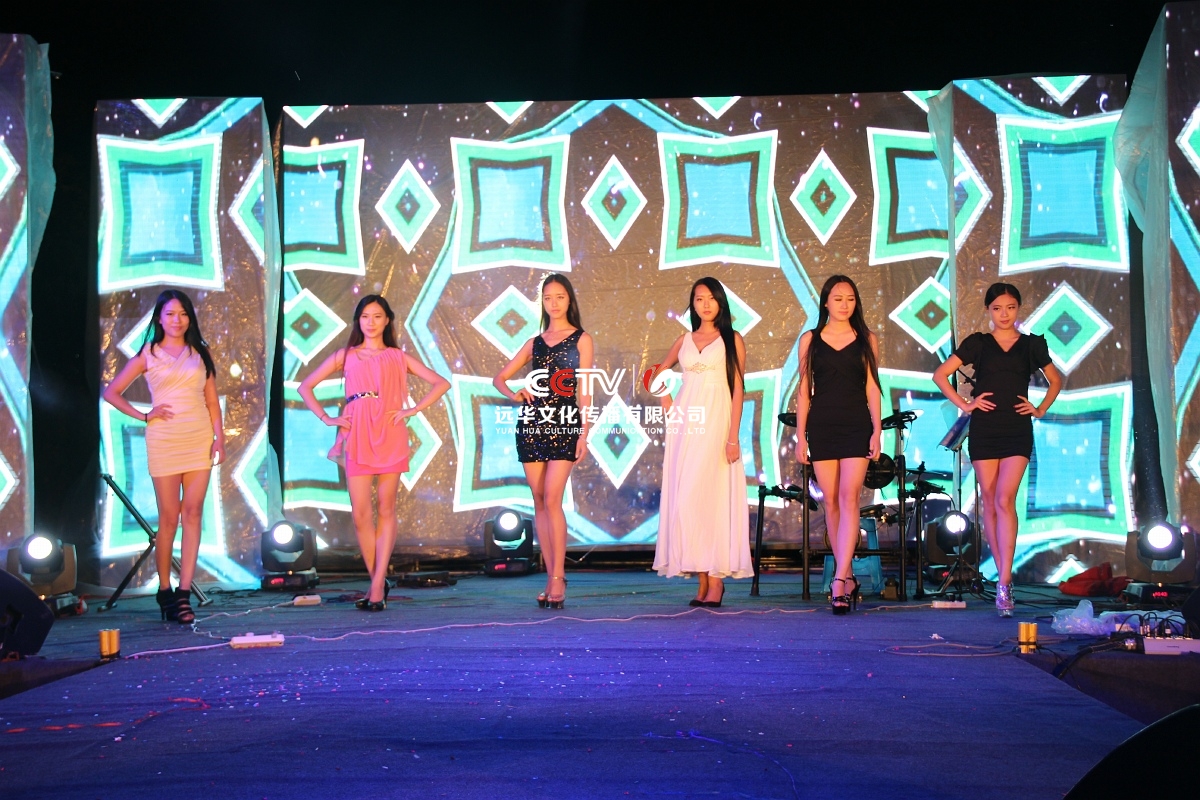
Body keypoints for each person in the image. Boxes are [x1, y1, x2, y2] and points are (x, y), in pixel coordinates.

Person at [298, 294, 450, 611]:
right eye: (365, 316)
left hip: (389, 430)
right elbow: (305, 386)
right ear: (358, 320)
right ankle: (377, 580)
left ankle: (377, 586)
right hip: (357, 432)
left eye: (377, 316)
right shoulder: (346, 355)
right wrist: (327, 418)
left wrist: (412, 410)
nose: (371, 322)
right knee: (361, 515)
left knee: (386, 507)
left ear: (387, 320)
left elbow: (440, 383)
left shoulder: (397, 356)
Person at [933, 282, 1062, 617]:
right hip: (985, 430)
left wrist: (1040, 409)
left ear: (1018, 308)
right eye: (997, 308)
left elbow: (1056, 379)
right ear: (988, 310)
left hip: (1016, 429)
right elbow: (940, 375)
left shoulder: (1031, 345)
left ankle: (1005, 581)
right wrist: (966, 404)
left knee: (1005, 499)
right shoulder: (978, 343)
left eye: (1011, 307)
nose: (1004, 314)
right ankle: (1002, 572)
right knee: (990, 501)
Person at [103, 290, 225, 624]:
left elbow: (211, 400)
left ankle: (184, 593)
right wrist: (145, 415)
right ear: (159, 318)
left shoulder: (200, 353)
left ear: (190, 318)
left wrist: (219, 438)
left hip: (198, 438)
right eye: (170, 314)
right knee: (169, 518)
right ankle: (165, 590)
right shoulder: (149, 354)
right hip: (165, 441)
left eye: (183, 314)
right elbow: (112, 392)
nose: (177, 320)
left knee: (193, 513)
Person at [650, 277, 752, 607]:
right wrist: (668, 402)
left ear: (721, 302)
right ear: (692, 304)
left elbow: (738, 389)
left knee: (713, 498)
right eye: (698, 299)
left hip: (718, 423)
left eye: (711, 298)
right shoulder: (684, 340)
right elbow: (654, 373)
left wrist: (733, 437)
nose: (705, 304)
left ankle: (716, 581)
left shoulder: (732, 339)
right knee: (688, 499)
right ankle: (702, 579)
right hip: (686, 425)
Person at [492, 274, 592, 609]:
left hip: (564, 422)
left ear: (569, 299)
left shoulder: (581, 339)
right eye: (548, 298)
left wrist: (584, 432)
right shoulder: (534, 342)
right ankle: (550, 577)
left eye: (559, 297)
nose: (554, 303)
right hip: (532, 423)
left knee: (552, 499)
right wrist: (515, 393)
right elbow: (499, 378)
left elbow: (585, 391)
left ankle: (559, 577)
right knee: (539, 501)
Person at [794, 275, 882, 615]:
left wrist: (877, 430)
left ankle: (841, 578)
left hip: (856, 424)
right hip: (822, 425)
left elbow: (873, 386)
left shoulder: (867, 339)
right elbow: (804, 391)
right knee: (830, 500)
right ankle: (846, 578)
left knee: (849, 497)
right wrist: (800, 436)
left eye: (850, 298)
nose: (845, 304)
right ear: (826, 302)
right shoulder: (810, 339)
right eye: (838, 298)